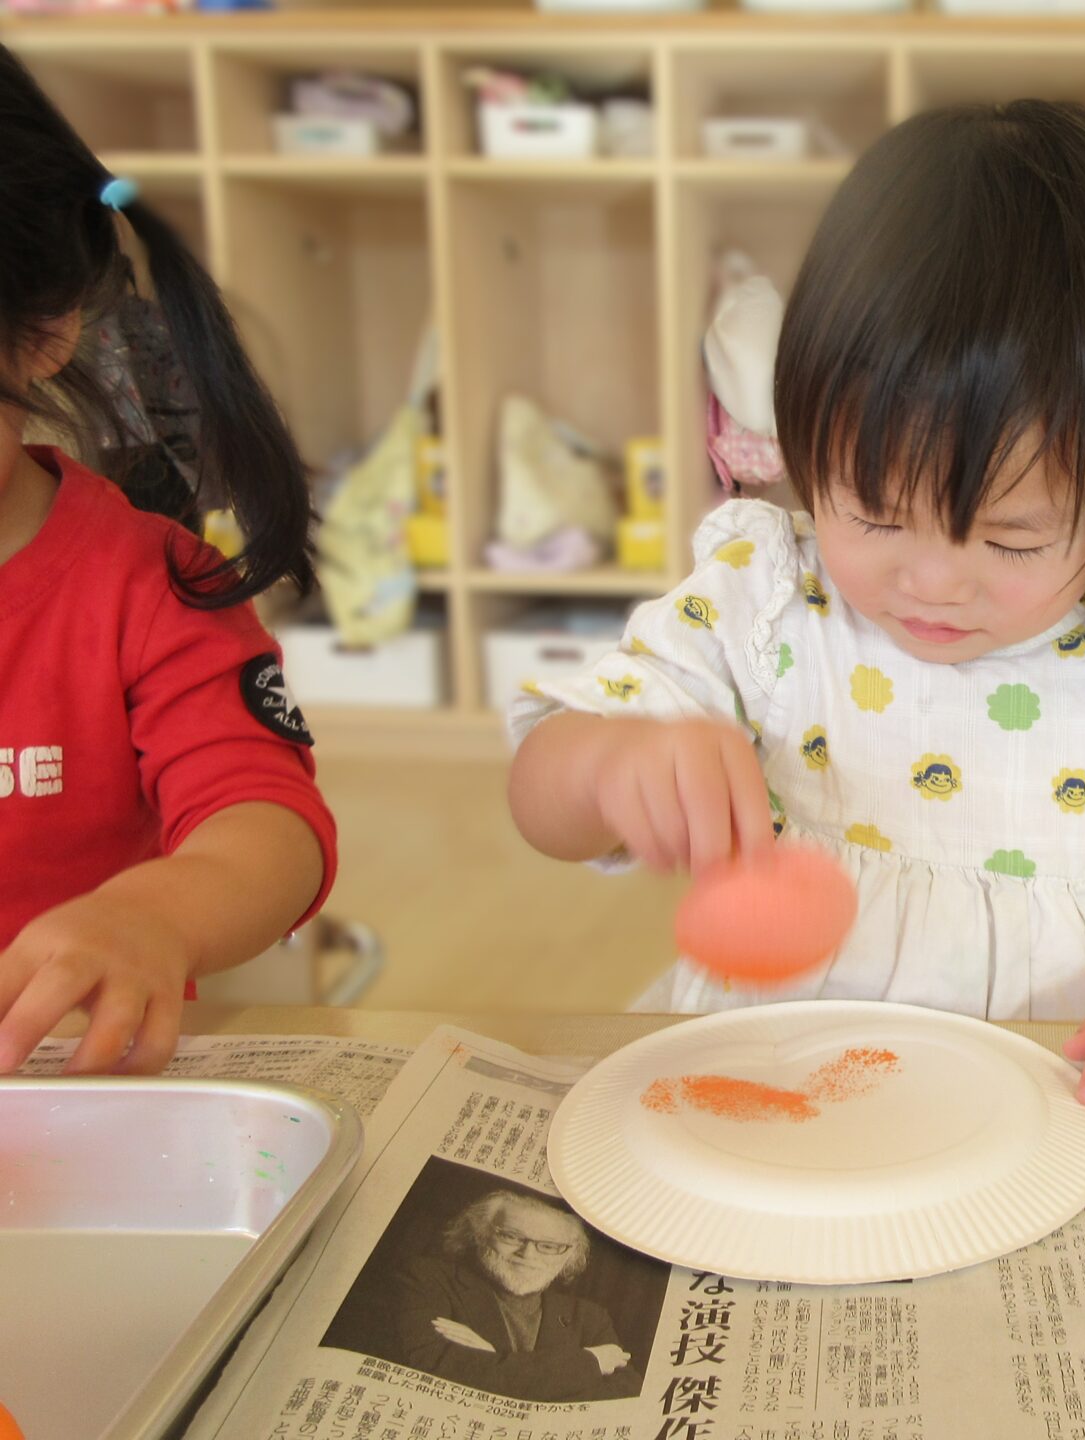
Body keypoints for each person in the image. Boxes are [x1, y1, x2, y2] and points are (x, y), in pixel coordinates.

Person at [508, 101, 1085, 1135]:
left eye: (1011, 540)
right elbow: (542, 789)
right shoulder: (769, 599)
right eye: (873, 512)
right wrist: (609, 766)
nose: (933, 582)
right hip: (787, 1093)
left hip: (1059, 1109)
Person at [0, 46, 336, 1074]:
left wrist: (155, 914)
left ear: (41, 332)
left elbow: (266, 825)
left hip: (79, 1085)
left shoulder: (143, 586)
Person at [390, 1190, 644, 1402]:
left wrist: (494, 1361)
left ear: (570, 1255)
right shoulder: (426, 1278)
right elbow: (430, 1367)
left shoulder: (590, 1317)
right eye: (511, 1236)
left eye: (548, 1246)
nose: (527, 1254)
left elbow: (624, 1395)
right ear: (480, 1234)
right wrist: (590, 1363)